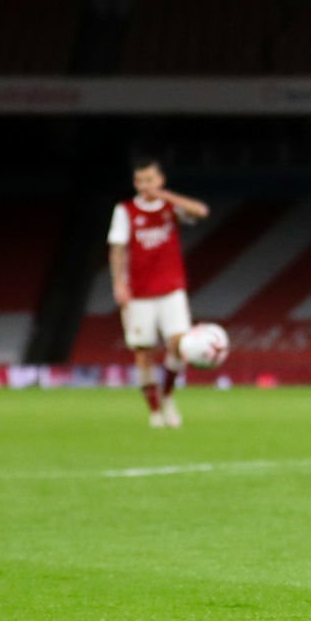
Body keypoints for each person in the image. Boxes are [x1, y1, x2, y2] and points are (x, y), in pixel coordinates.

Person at [109, 157, 210, 428]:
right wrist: (118, 283)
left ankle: (168, 397)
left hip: (171, 289)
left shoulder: (170, 207)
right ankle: (154, 411)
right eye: (140, 180)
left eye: (150, 180)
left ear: (160, 180)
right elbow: (117, 249)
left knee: (178, 345)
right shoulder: (125, 210)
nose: (145, 186)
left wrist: (165, 196)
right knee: (143, 353)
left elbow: (201, 211)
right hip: (139, 293)